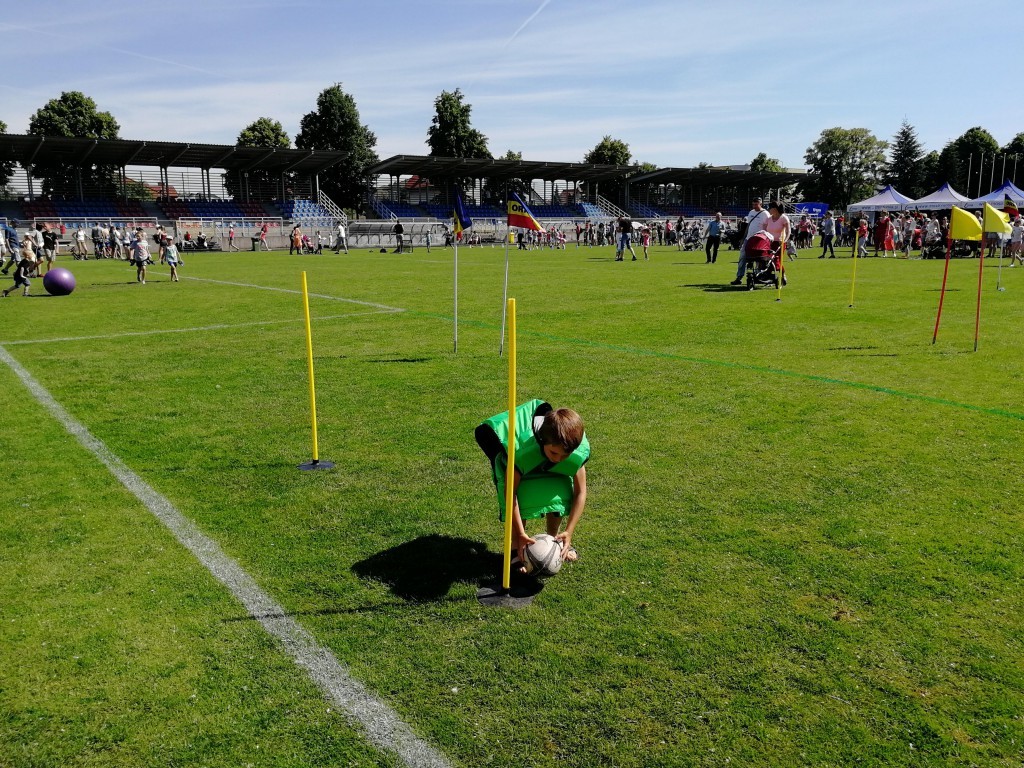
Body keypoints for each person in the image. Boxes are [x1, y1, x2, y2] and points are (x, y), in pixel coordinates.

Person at [475, 400, 589, 574]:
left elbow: (580, 493)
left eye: (565, 455)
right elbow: (511, 493)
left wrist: (569, 531)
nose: (558, 459)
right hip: (522, 470)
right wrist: (521, 533)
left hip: (550, 472)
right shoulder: (522, 454)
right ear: (543, 441)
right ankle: (516, 546)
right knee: (524, 497)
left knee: (559, 492)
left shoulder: (576, 454)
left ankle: (555, 538)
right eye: (554, 452)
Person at [731, 197, 770, 285]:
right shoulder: (751, 212)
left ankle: (759, 276)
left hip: (759, 239)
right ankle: (739, 277)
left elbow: (767, 227)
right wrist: (744, 238)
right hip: (748, 239)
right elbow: (749, 226)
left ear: (761, 204)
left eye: (756, 204)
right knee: (742, 257)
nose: (754, 206)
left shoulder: (765, 214)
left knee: (759, 259)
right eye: (753, 204)